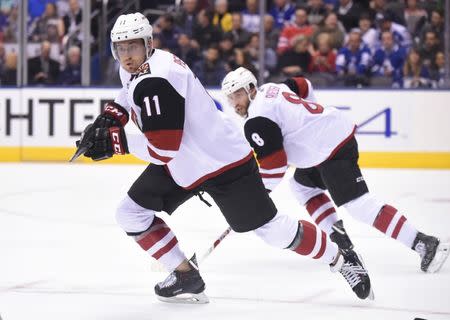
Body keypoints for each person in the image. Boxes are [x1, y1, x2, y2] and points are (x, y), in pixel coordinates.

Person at [76, 12, 373, 304]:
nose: (127, 55)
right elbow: (128, 94)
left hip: (224, 163)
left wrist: (118, 142)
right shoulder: (137, 67)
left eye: (133, 46)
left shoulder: (157, 80)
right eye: (121, 48)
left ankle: (340, 258)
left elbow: (163, 149)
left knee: (273, 231)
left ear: (148, 43)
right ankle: (185, 275)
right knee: (130, 213)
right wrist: (110, 116)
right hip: (186, 164)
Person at [221, 67, 450, 275]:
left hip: (330, 149)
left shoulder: (257, 121)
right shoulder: (271, 89)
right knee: (302, 186)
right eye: (230, 98)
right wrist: (312, 120)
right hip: (328, 142)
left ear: (251, 88)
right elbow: (303, 84)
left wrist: (253, 198)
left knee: (361, 206)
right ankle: (339, 240)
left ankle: (425, 243)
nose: (234, 103)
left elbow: (276, 166)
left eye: (238, 95)